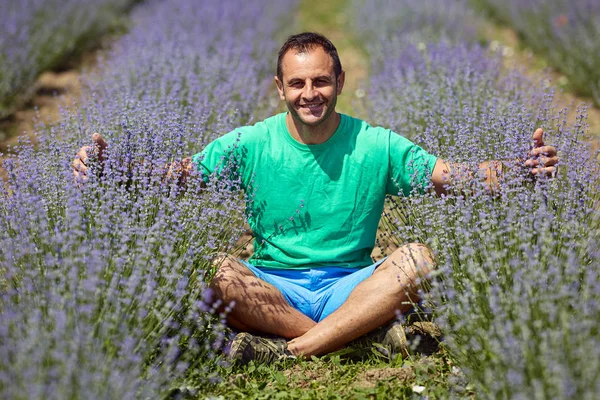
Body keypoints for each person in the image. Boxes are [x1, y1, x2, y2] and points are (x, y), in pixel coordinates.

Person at [73, 32, 558, 364]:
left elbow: (452, 177)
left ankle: (291, 349)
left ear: (340, 82)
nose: (311, 93)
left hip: (353, 281)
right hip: (273, 285)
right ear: (280, 88)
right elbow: (181, 177)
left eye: (321, 81)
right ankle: (358, 334)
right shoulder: (249, 144)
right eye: (298, 83)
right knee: (212, 270)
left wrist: (522, 171)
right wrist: (113, 171)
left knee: (417, 259)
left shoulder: (376, 144)